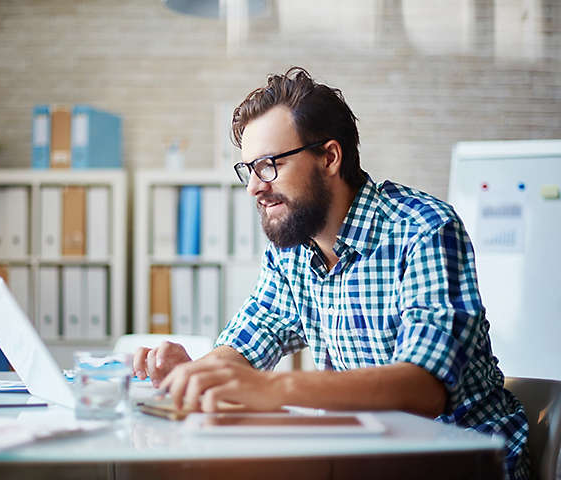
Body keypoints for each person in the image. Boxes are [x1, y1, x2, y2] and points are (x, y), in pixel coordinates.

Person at [133, 67, 529, 479]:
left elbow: (424, 389)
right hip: (368, 459)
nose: (253, 186)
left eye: (269, 165)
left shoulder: (424, 228)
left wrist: (271, 390)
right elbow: (247, 345)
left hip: (462, 463)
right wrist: (196, 375)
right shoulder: (293, 249)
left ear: (329, 158)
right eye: (249, 169)